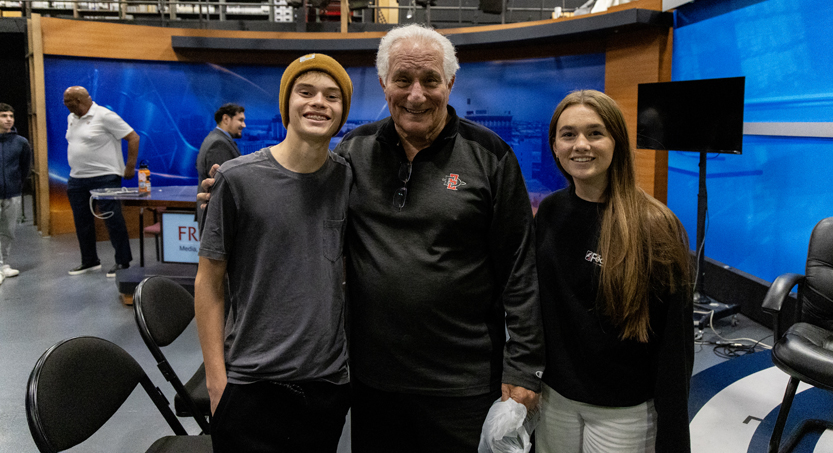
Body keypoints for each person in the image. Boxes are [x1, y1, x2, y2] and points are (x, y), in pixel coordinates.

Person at [335, 24, 544, 452]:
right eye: (403, 80)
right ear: (383, 83)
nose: (416, 94)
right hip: (374, 382)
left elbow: (519, 270)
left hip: (462, 385)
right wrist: (230, 189)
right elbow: (301, 209)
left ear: (450, 82)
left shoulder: (492, 156)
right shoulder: (352, 152)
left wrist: (523, 367)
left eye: (430, 80)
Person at [195, 54, 353, 453]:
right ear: (287, 105)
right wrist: (217, 384)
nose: (319, 102)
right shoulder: (236, 179)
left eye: (332, 96)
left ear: (342, 112)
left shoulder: (349, 179)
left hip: (326, 384)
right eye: (306, 92)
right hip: (251, 382)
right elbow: (209, 283)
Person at [535, 89, 694, 453]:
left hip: (623, 411)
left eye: (595, 133)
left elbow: (675, 346)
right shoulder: (549, 212)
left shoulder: (655, 226)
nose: (581, 145)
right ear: (555, 146)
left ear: (617, 142)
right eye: (568, 134)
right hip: (554, 397)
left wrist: (673, 435)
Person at [63, 86, 139, 277]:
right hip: (77, 178)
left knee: (113, 220)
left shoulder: (105, 116)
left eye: (67, 102)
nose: (65, 105)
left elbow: (133, 137)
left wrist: (129, 167)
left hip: (105, 176)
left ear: (79, 101)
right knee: (82, 222)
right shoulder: (72, 118)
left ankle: (123, 262)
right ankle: (89, 261)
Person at [196, 103, 245, 222]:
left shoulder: (216, 139)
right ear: (226, 119)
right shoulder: (218, 144)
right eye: (240, 120)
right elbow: (223, 188)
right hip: (218, 221)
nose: (244, 125)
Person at [0, 103, 32, 285]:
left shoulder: (21, 142)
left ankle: (4, 264)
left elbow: (25, 167)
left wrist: (17, 185)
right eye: (3, 115)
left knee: (8, 231)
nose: (8, 119)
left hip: (12, 193)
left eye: (10, 116)